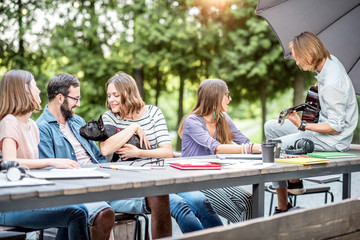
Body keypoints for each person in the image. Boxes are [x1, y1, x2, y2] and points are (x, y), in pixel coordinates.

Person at [36, 73, 172, 239]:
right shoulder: (42, 128)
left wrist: (112, 173)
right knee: (104, 214)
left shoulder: (77, 121)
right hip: (79, 191)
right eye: (75, 99)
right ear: (60, 98)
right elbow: (49, 172)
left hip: (104, 183)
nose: (78, 104)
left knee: (159, 195)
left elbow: (97, 156)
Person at [100, 72, 223, 233]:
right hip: (134, 182)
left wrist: (138, 153)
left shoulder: (153, 113)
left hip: (161, 175)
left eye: (116, 95)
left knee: (201, 201)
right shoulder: (109, 118)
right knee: (179, 205)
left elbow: (167, 152)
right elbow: (105, 149)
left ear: (128, 93)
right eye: (109, 96)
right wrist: (133, 128)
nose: (111, 100)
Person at [264, 31, 358, 213]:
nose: (297, 63)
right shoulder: (329, 62)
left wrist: (302, 125)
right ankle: (294, 181)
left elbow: (335, 128)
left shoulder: (332, 83)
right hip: (320, 130)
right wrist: (315, 91)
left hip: (334, 141)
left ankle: (282, 207)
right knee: (271, 128)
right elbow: (324, 91)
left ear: (309, 54)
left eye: (298, 58)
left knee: (276, 147)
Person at [0, 69, 89, 240]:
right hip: (10, 206)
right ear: (24, 90)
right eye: (34, 85)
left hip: (30, 199)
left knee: (81, 209)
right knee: (76, 213)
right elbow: (9, 161)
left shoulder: (32, 126)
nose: (39, 90)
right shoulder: (9, 122)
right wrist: (53, 162)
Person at [178, 78, 262, 223]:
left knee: (250, 202)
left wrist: (263, 148)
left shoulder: (222, 119)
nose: (230, 99)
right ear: (215, 97)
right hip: (195, 179)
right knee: (237, 213)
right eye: (227, 95)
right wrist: (248, 148)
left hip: (214, 177)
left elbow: (244, 141)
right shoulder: (192, 121)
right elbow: (216, 148)